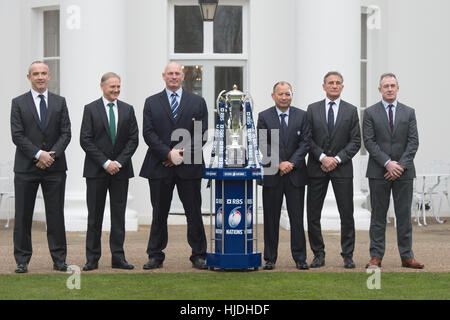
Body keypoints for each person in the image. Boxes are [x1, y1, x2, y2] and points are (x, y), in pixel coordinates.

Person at [140, 61, 208, 270]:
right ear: (163, 76)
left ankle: (198, 254)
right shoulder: (151, 102)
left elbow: (201, 133)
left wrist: (180, 155)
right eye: (170, 73)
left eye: (177, 73)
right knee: (159, 213)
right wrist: (168, 153)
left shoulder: (197, 102)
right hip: (160, 165)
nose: (174, 77)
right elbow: (148, 133)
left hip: (189, 166)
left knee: (193, 212)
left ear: (183, 75)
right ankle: (155, 255)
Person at [10, 61, 71, 273]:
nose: (40, 77)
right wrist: (38, 154)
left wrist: (50, 155)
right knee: (23, 215)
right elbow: (17, 135)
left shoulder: (60, 102)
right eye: (36, 74)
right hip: (26, 167)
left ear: (49, 76)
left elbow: (66, 133)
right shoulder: (18, 103)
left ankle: (59, 259)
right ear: (29, 77)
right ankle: (22, 260)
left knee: (55, 214)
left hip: (54, 168)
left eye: (43, 73)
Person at [363, 73, 424, 269]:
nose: (389, 89)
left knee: (404, 215)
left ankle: (407, 257)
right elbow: (369, 142)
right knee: (378, 216)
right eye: (386, 86)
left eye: (392, 85)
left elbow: (413, 142)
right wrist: (388, 163)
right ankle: (376, 257)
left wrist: (399, 166)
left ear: (398, 88)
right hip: (378, 172)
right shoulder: (370, 112)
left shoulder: (409, 112)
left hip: (404, 173)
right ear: (379, 89)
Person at [80, 72, 139, 271]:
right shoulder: (90, 109)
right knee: (94, 216)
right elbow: (85, 140)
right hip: (96, 171)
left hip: (120, 172)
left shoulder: (128, 109)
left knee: (118, 216)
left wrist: (118, 162)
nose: (116, 90)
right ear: (102, 86)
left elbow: (133, 140)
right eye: (112, 87)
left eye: (118, 86)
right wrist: (105, 163)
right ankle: (92, 258)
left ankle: (118, 257)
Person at [306, 71, 361, 269]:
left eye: (338, 83)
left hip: (342, 169)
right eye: (331, 83)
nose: (334, 86)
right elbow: (308, 139)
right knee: (313, 215)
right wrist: (322, 157)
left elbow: (356, 141)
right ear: (324, 86)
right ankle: (318, 255)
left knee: (347, 214)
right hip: (316, 168)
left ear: (342, 86)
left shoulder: (351, 110)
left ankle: (348, 255)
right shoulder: (312, 110)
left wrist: (336, 159)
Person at [257, 81, 311, 270]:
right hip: (273, 173)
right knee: (271, 218)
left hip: (295, 174)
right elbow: (263, 143)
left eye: (287, 94)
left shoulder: (302, 116)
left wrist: (291, 163)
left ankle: (300, 258)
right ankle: (270, 258)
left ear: (291, 95)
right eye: (280, 94)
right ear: (273, 96)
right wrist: (279, 162)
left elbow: (305, 143)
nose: (284, 97)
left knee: (297, 218)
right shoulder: (263, 117)